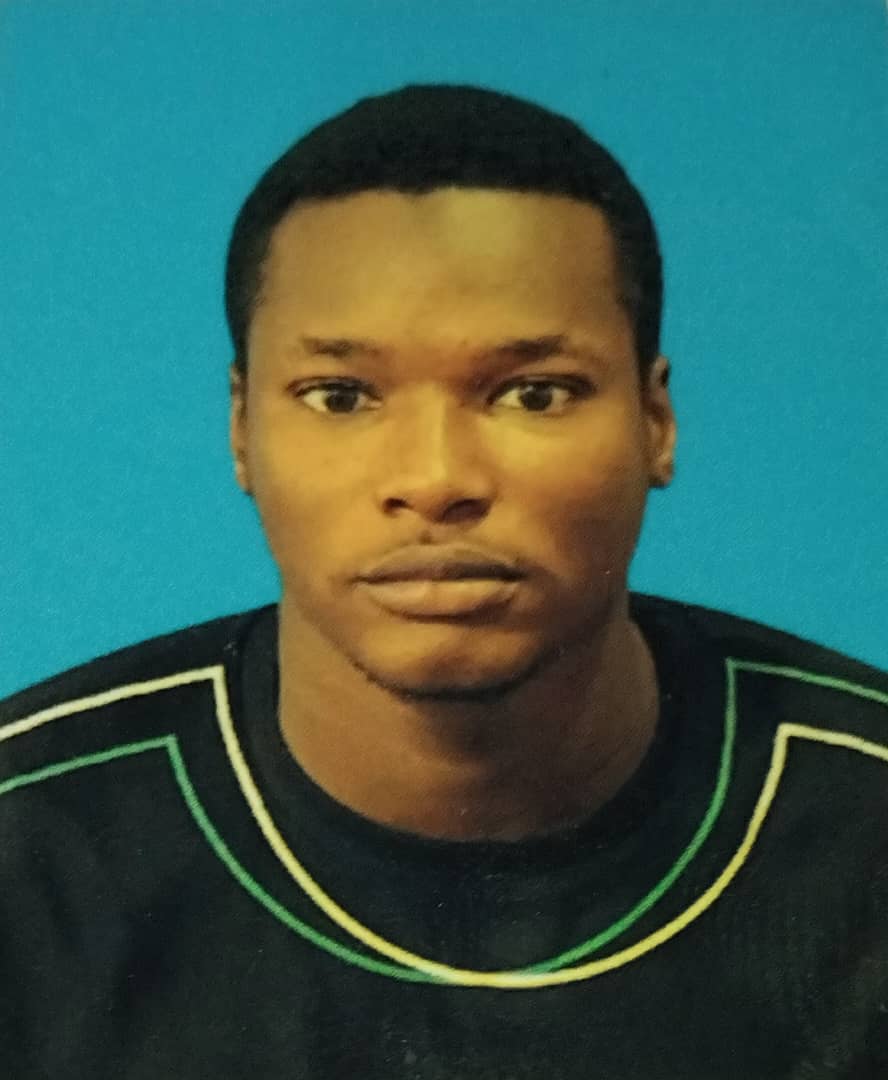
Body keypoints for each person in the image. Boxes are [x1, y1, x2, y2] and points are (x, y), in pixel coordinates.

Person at [1, 84, 886, 1079]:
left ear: (655, 421)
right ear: (242, 429)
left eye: (533, 393)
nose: (436, 479)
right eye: (341, 396)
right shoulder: (32, 856)